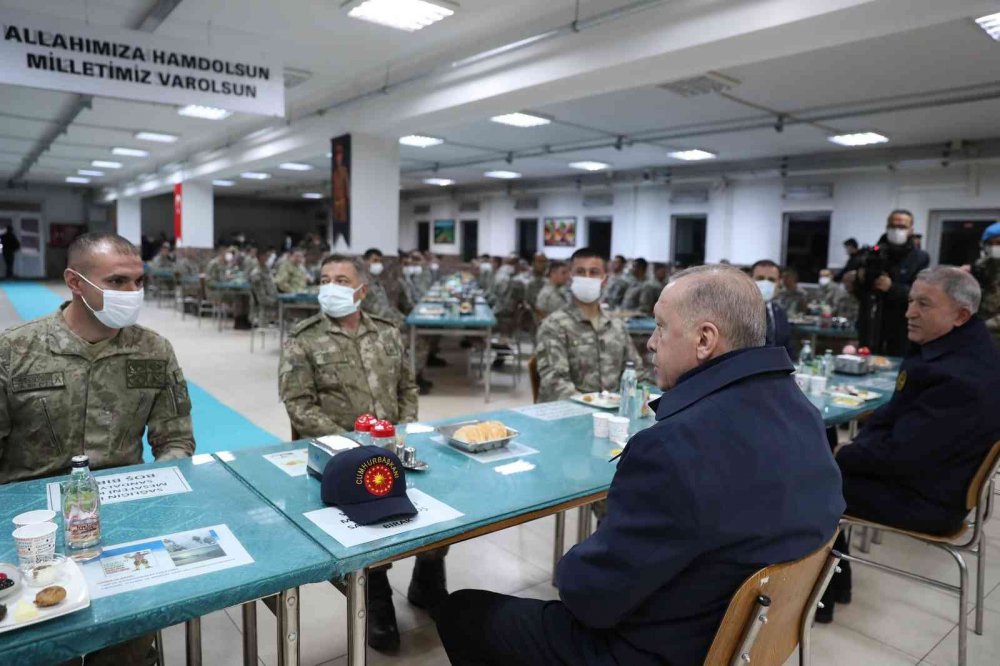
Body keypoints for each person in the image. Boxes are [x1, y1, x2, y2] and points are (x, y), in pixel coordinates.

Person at [436, 264, 844, 666]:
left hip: (658, 650)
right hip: (748, 639)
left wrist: (575, 563)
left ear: (705, 339)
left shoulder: (674, 447)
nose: (650, 342)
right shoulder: (803, 413)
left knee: (464, 613)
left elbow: (589, 598)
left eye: (662, 327)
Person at [0, 232, 195, 665]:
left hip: (123, 521)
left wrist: (155, 499)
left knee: (123, 646)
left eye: (138, 282)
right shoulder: (15, 351)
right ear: (75, 281)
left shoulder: (153, 351)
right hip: (31, 531)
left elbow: (175, 439)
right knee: (43, 645)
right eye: (118, 281)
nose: (132, 293)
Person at [278, 254, 446, 652]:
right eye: (324, 279)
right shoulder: (304, 338)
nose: (330, 286)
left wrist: (400, 432)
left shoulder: (388, 332)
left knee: (443, 500)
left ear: (361, 291)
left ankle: (429, 572)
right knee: (367, 518)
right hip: (340, 460)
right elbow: (298, 403)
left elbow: (408, 387)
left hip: (394, 448)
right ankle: (376, 592)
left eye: (341, 279)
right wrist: (349, 445)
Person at [819, 267, 1000, 622]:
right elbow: (904, 423)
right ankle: (833, 584)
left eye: (924, 304)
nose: (909, 312)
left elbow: (900, 456)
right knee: (821, 452)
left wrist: (847, 453)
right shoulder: (958, 350)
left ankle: (819, 597)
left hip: (928, 498)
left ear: (960, 315)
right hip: (930, 477)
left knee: (811, 482)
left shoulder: (958, 377)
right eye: (910, 301)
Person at [535, 248, 646, 403]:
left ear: (604, 280)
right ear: (570, 278)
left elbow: (636, 373)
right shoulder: (554, 325)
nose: (587, 277)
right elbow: (555, 382)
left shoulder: (616, 326)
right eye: (580, 272)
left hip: (612, 414)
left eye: (594, 272)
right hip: (567, 415)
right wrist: (594, 406)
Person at [849, 210, 930, 356]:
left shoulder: (919, 258)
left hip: (901, 326)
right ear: (887, 227)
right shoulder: (872, 254)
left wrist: (891, 288)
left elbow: (920, 295)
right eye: (893, 226)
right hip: (871, 324)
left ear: (911, 229)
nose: (896, 230)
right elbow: (861, 293)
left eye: (902, 226)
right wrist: (857, 281)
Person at [751, 259, 795, 358]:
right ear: (750, 279)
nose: (766, 283)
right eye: (760, 278)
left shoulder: (780, 312)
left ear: (779, 283)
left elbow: (788, 349)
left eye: (771, 280)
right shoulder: (736, 311)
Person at [971, 222, 1000, 346]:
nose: (994, 247)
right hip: (980, 337)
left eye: (999, 243)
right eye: (990, 243)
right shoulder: (980, 267)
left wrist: (981, 327)